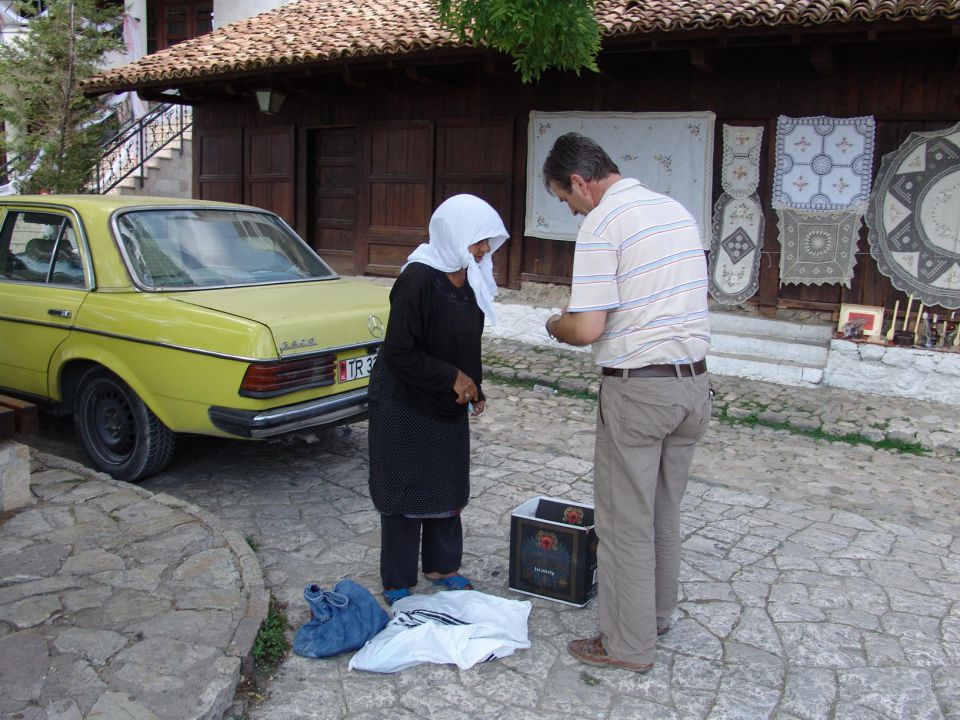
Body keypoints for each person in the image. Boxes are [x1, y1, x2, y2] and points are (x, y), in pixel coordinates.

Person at [541, 132, 711, 673]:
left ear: (580, 182)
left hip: (639, 388)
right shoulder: (674, 211)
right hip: (692, 386)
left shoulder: (604, 222)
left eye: (566, 201)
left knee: (622, 522)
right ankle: (655, 615)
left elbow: (588, 327)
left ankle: (627, 645)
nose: (570, 211)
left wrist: (554, 323)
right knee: (662, 509)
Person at [367, 193, 509, 606]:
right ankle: (397, 577)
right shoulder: (417, 279)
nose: (484, 250)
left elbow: (466, 343)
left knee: (447, 485)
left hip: (444, 401)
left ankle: (442, 566)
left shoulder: (471, 277)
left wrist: (475, 385)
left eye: (488, 242)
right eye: (478, 241)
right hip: (404, 400)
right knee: (404, 487)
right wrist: (453, 378)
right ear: (454, 235)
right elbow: (400, 352)